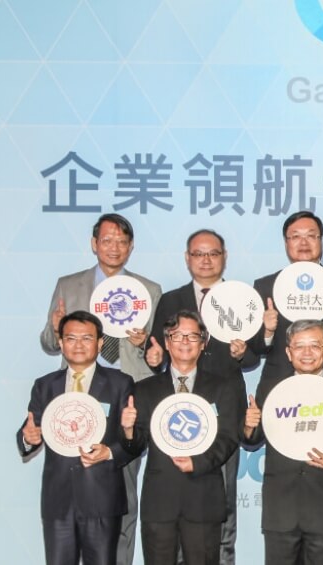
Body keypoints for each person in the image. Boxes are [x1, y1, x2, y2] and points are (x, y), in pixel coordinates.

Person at [39, 213, 161, 565]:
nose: (114, 247)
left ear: (131, 246)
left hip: (126, 396)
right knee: (70, 489)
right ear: (94, 244)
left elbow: (156, 353)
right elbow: (49, 343)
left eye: (122, 241)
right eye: (107, 240)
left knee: (123, 492)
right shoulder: (68, 285)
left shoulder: (149, 290)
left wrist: (144, 344)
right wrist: (56, 329)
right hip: (76, 398)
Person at [144, 229, 256, 564]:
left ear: (224, 257)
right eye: (198, 253)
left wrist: (243, 352)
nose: (205, 260)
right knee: (172, 499)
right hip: (176, 409)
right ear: (187, 258)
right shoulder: (171, 300)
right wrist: (153, 359)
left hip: (222, 408)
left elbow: (255, 355)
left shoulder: (241, 299)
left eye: (213, 253)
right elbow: (157, 350)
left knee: (220, 500)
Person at [122, 311, 244, 565]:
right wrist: (129, 430)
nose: (185, 342)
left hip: (203, 500)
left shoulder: (222, 387)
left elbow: (228, 437)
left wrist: (196, 463)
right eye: (177, 336)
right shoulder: (145, 389)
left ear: (203, 343)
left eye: (192, 336)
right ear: (167, 343)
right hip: (160, 503)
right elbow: (136, 444)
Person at [243, 319, 323, 564]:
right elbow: (253, 439)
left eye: (315, 345)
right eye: (299, 346)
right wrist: (249, 425)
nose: (307, 353)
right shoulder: (271, 389)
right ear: (289, 352)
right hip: (280, 509)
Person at [18, 311, 135, 565]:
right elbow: (28, 429)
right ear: (61, 343)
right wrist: (29, 438)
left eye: (87, 338)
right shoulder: (45, 386)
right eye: (71, 338)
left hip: (102, 500)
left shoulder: (120, 383)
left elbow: (135, 441)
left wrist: (110, 452)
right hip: (58, 502)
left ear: (100, 343)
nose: (78, 345)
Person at [250, 211, 323, 382]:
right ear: (286, 243)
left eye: (311, 236)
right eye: (295, 236)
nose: (303, 242)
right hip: (278, 383)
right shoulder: (266, 287)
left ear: (320, 241)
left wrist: (321, 331)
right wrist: (267, 332)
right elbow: (254, 349)